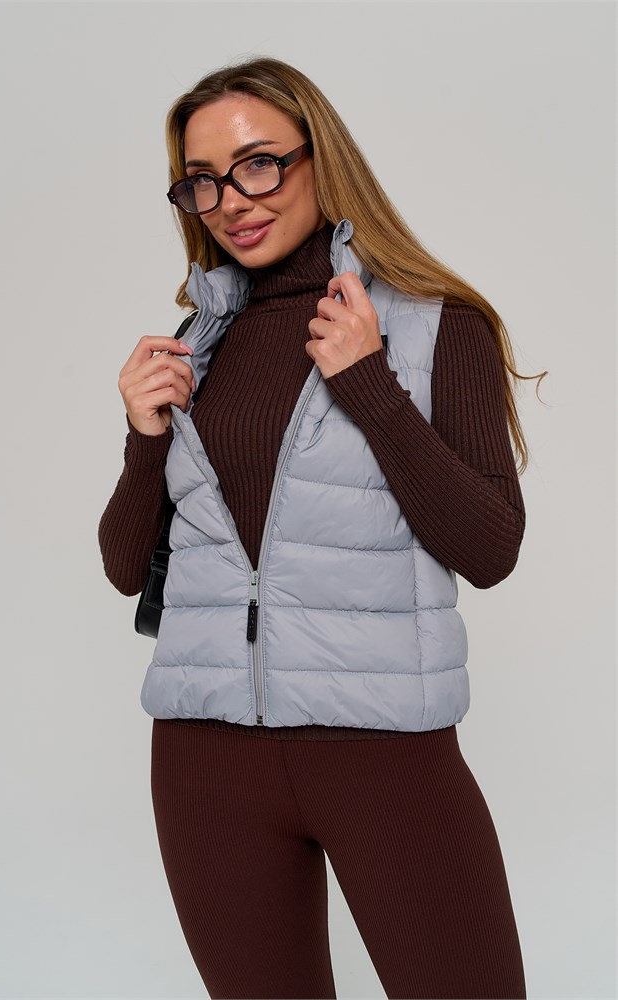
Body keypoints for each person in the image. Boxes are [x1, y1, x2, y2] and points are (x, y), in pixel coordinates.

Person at [99, 56, 534, 1000]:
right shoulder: (198, 345)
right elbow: (126, 566)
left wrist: (369, 386)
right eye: (203, 179)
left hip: (385, 754)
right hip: (206, 756)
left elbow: (491, 547)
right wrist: (143, 435)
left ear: (319, 156)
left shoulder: (432, 326)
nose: (231, 201)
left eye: (259, 163)